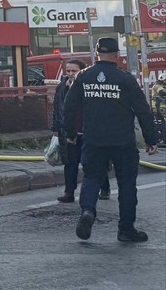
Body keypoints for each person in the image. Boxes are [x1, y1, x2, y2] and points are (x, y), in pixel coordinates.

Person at [62, 37, 159, 242]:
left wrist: (70, 134)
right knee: (126, 183)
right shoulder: (125, 79)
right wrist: (151, 139)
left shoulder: (83, 77)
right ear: (117, 55)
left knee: (91, 177)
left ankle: (88, 211)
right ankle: (125, 229)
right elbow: (143, 110)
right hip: (122, 140)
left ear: (96, 53)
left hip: (93, 139)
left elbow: (69, 108)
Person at [50, 58, 109, 202]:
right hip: (70, 132)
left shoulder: (90, 86)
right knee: (70, 164)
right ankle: (69, 193)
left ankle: (104, 187)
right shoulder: (62, 87)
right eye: (68, 70)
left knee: (93, 163)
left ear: (81, 71)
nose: (70, 73)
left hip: (89, 132)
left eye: (73, 71)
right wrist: (57, 128)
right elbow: (57, 108)